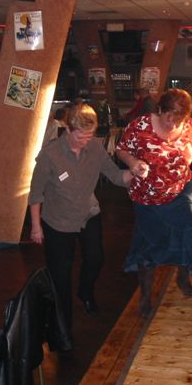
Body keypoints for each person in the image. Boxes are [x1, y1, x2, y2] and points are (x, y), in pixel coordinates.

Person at [115, 89, 192, 317]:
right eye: (168, 119)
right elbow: (122, 150)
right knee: (149, 246)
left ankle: (183, 278)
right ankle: (145, 296)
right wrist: (132, 162)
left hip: (181, 190)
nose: (173, 125)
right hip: (147, 197)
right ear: (159, 110)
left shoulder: (191, 126)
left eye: (178, 121)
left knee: (190, 229)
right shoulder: (140, 126)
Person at [28, 104, 133, 331]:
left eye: (89, 136)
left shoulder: (95, 148)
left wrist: (135, 172)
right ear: (68, 129)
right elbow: (35, 193)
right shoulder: (50, 155)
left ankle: (85, 292)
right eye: (80, 136)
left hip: (88, 214)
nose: (85, 141)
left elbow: (115, 175)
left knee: (95, 259)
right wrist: (36, 226)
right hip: (58, 221)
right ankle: (63, 324)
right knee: (61, 275)